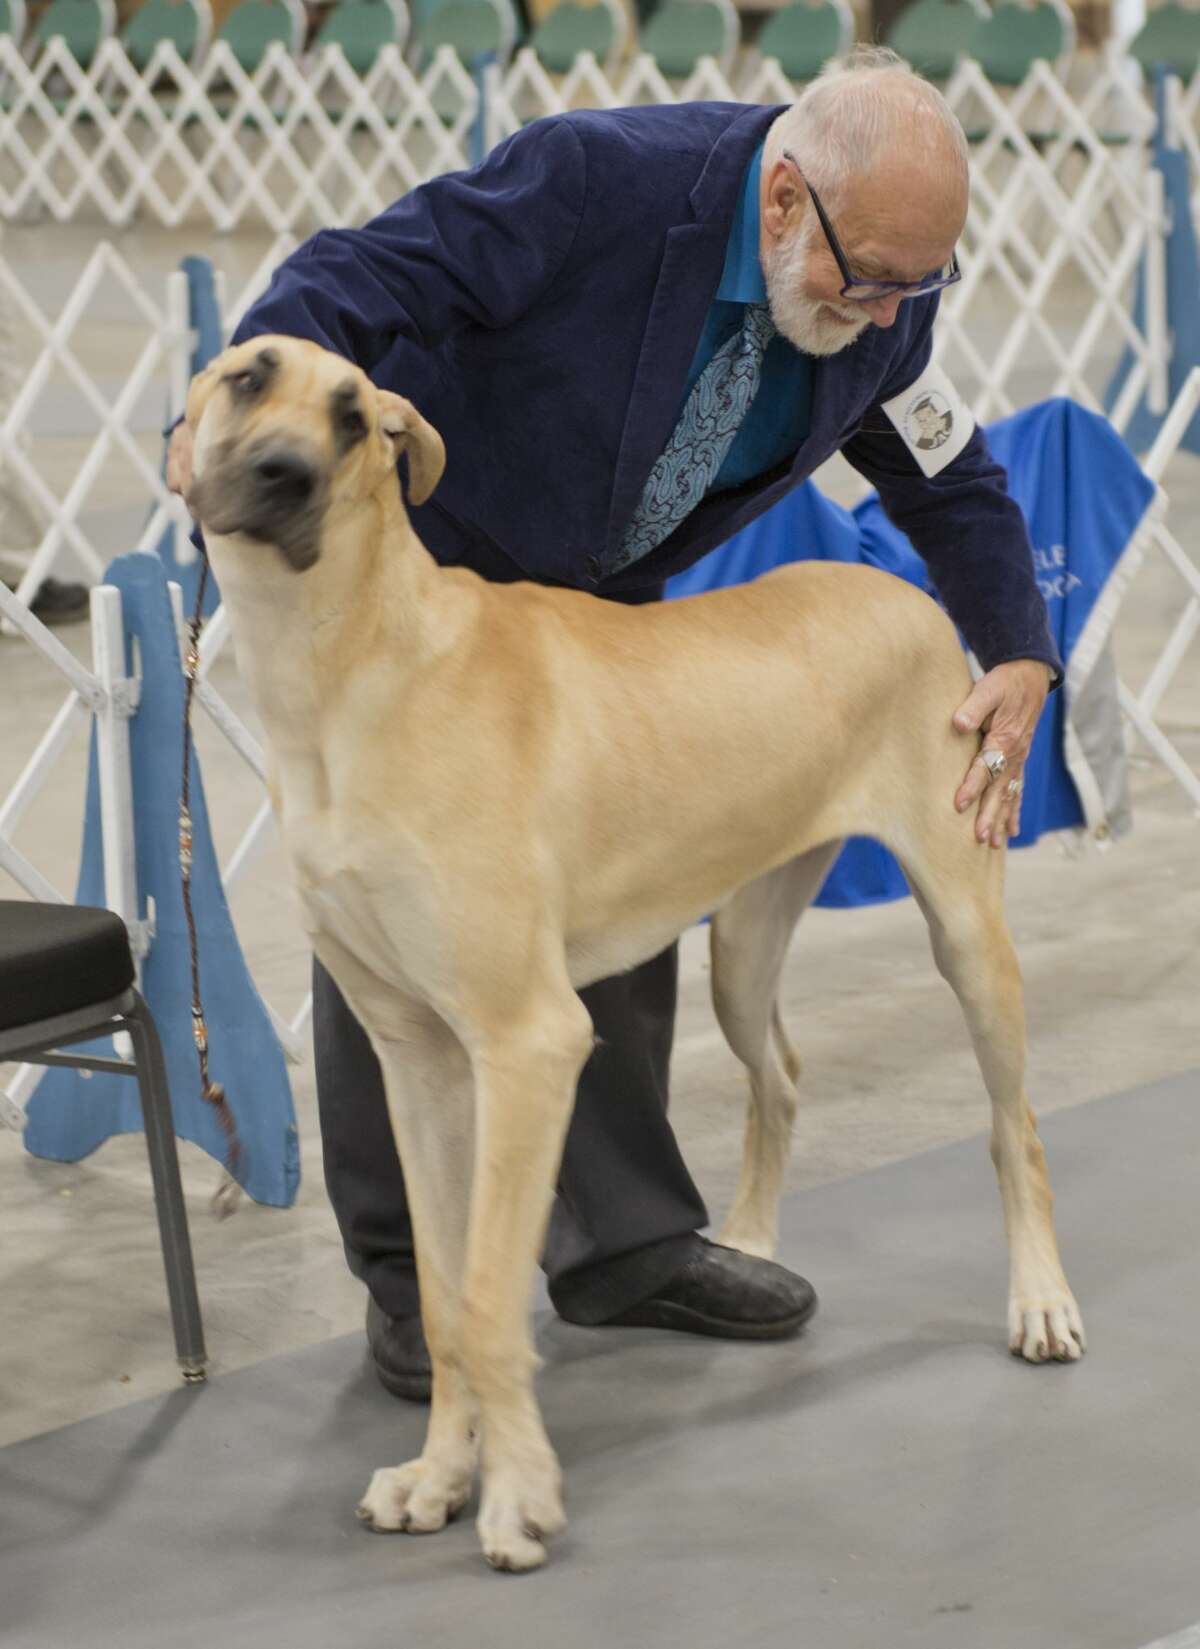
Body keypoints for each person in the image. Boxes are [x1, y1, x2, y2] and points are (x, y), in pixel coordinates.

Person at [169, 48, 1062, 1402]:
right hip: (438, 583)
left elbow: (949, 472)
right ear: (783, 202)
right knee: (398, 930)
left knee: (621, 896)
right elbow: (364, 277)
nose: (885, 316)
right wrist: (249, 434)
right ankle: (417, 1283)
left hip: (600, 606)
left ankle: (624, 1244)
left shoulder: (881, 303)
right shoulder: (595, 181)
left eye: (914, 288)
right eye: (867, 276)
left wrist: (1016, 642)